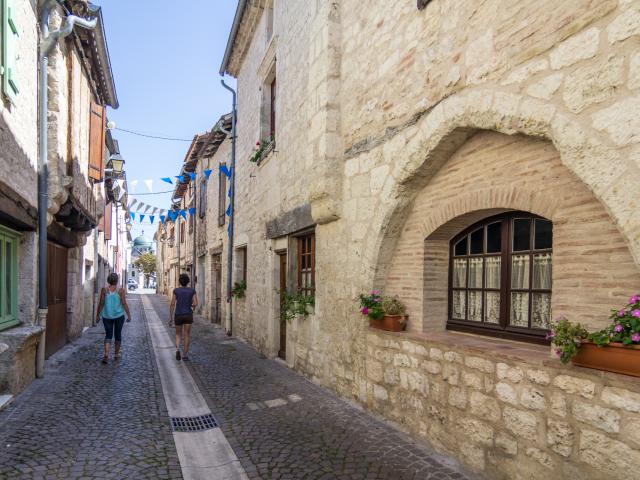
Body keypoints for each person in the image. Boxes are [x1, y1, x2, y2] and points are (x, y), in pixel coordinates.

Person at [95, 273, 131, 364]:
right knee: (118, 334)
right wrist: (129, 315)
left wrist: (97, 315)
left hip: (107, 316)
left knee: (108, 335)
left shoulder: (104, 290)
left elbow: (101, 303)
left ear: (108, 280)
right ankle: (116, 354)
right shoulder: (121, 291)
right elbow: (124, 303)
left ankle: (106, 355)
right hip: (119, 316)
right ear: (117, 280)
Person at [169, 273, 197, 361]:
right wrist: (191, 306)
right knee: (187, 335)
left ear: (180, 282)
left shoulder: (176, 291)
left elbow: (172, 304)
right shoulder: (192, 291)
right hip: (188, 314)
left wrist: (170, 317)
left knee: (178, 334)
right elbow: (195, 303)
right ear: (188, 281)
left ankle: (177, 350)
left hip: (178, 315)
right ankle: (185, 355)